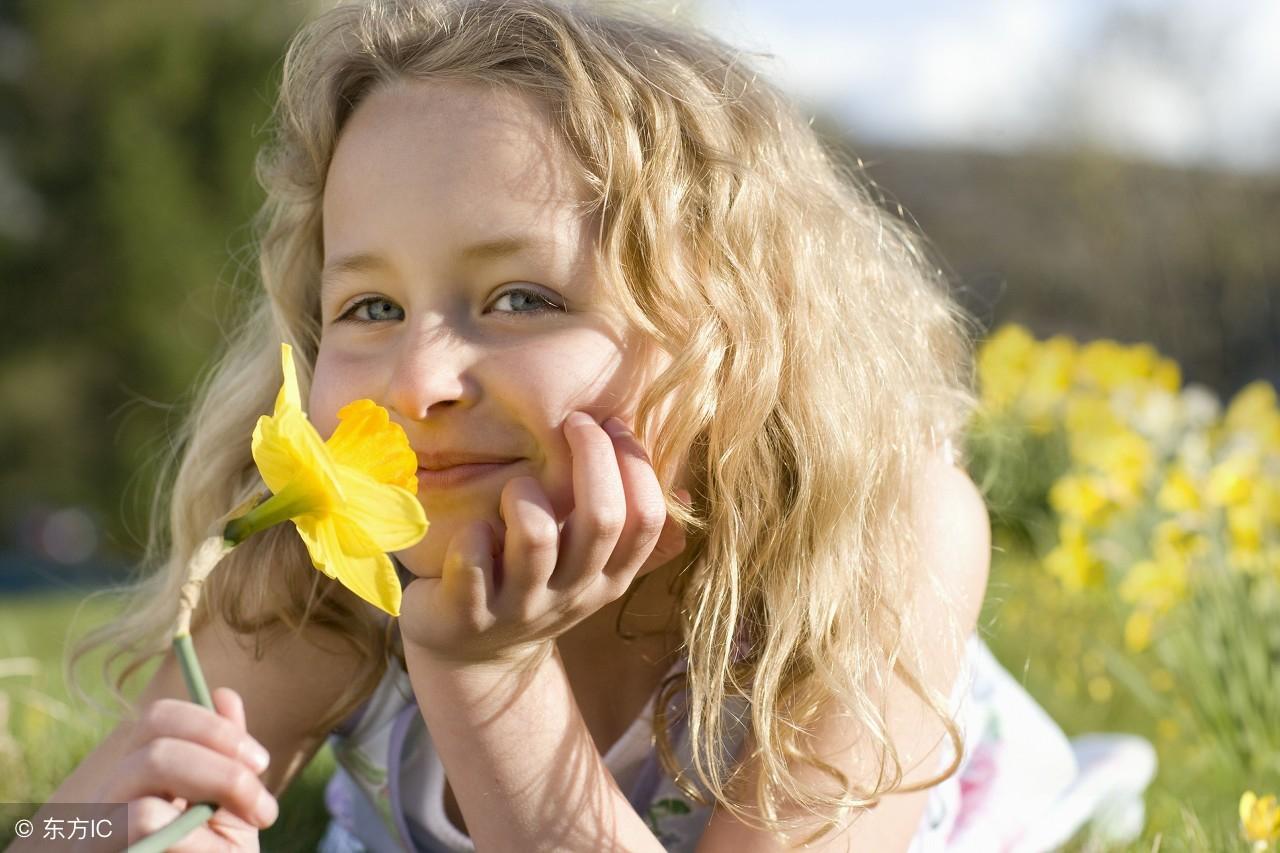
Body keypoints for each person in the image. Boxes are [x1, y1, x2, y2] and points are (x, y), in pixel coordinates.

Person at [43, 0, 1154, 850]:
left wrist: (484, 675)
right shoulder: (314, 557)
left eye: (521, 299)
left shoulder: (881, 540)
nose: (418, 379)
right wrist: (80, 824)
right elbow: (63, 831)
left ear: (738, 333)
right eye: (368, 307)